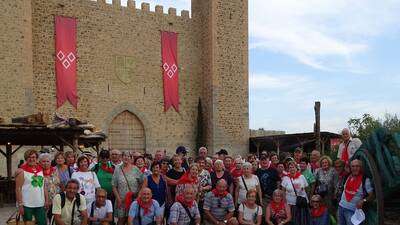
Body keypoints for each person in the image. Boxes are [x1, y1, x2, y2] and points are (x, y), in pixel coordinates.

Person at [15, 149, 49, 225]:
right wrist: (20, 204)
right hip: (27, 204)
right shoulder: (21, 171)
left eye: (33, 157)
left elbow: (43, 186)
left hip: (40, 203)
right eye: (29, 157)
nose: (31, 159)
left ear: (36, 158)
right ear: (26, 158)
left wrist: (47, 200)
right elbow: (18, 189)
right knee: (28, 223)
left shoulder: (40, 169)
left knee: (43, 223)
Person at [338, 159, 374, 225]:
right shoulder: (347, 176)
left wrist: (363, 200)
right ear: (350, 167)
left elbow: (371, 196)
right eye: (353, 166)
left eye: (357, 166)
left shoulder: (365, 179)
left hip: (353, 211)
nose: (355, 168)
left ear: (361, 167)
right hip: (341, 207)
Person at [112, 151, 144, 225]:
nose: (126, 157)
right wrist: (118, 199)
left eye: (128, 156)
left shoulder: (135, 169)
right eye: (124, 156)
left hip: (133, 199)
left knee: (132, 220)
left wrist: (139, 194)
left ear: (131, 158)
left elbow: (143, 182)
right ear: (121, 157)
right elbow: (114, 185)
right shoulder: (117, 169)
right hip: (121, 200)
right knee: (121, 220)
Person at [281, 161, 310, 225]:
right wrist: (284, 201)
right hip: (290, 204)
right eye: (290, 167)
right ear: (288, 169)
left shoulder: (301, 177)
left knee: (302, 220)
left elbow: (307, 188)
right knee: (293, 221)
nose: (292, 169)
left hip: (301, 203)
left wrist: (306, 198)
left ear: (296, 168)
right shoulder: (285, 178)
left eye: (293, 167)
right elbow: (283, 191)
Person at [40, 153, 61, 220]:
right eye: (43, 161)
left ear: (51, 162)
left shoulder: (55, 171)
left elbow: (58, 184)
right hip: (43, 200)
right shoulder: (38, 172)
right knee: (43, 219)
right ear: (40, 162)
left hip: (55, 200)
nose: (45, 163)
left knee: (54, 219)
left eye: (47, 161)